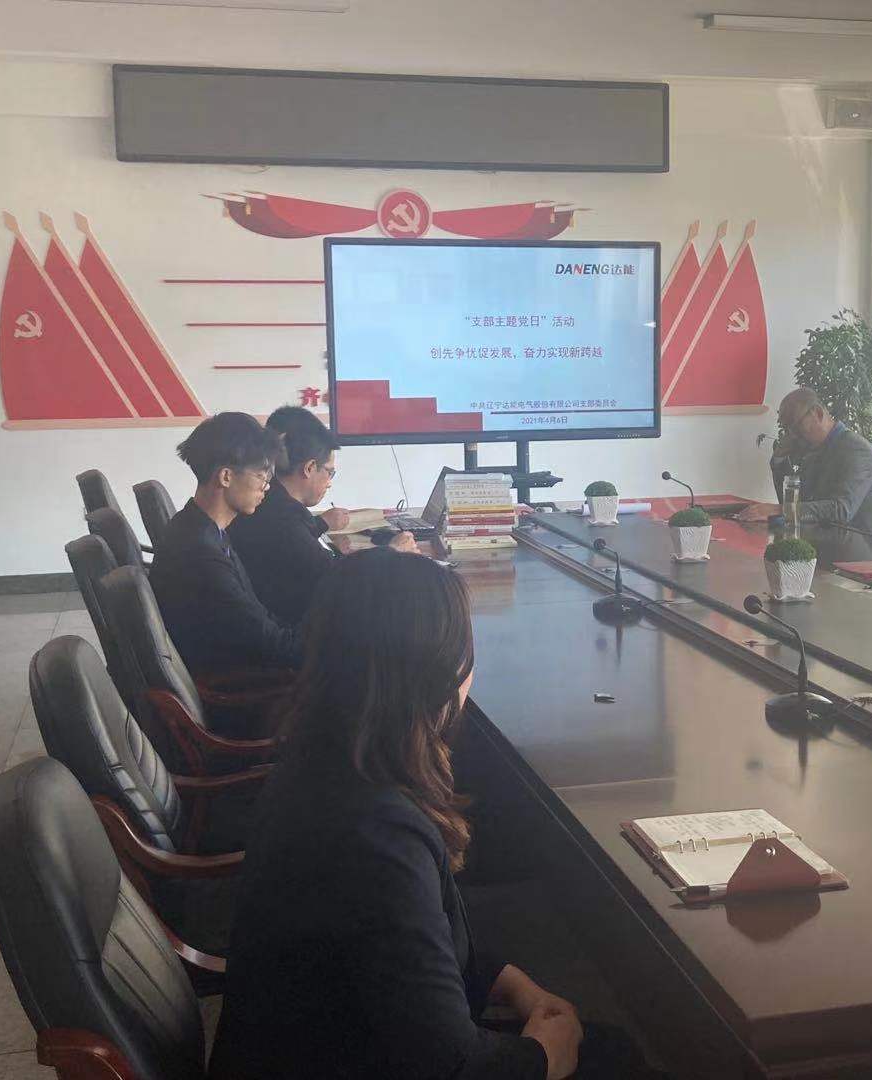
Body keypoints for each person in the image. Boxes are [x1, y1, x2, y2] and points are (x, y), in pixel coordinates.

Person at [207, 547, 668, 1080]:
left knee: (611, 1047)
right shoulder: (375, 837)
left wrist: (512, 984)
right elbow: (451, 1065)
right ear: (435, 672)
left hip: (329, 1042)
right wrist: (546, 1055)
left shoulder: (325, 764)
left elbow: (406, 953)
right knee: (616, 1055)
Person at [149, 412, 303, 676]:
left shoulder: (200, 527)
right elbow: (270, 644)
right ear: (226, 477)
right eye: (262, 477)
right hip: (236, 686)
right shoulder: (200, 553)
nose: (266, 488)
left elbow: (257, 616)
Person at [230, 406, 414, 625]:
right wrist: (392, 553)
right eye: (330, 472)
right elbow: (340, 581)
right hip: (294, 632)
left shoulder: (269, 501)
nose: (329, 483)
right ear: (309, 468)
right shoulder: (282, 519)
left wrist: (322, 526)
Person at [737, 388, 872, 536]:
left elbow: (841, 510)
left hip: (867, 545)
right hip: (826, 537)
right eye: (787, 429)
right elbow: (795, 504)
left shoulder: (858, 450)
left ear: (818, 413)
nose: (792, 435)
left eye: (795, 426)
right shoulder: (814, 449)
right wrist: (780, 460)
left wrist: (778, 510)